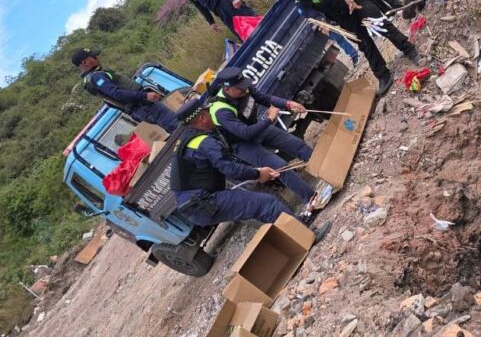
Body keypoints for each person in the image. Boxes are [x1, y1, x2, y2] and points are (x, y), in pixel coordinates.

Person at [170, 95, 331, 238]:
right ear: (202, 118)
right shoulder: (205, 142)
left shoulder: (189, 139)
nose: (211, 115)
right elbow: (229, 169)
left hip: (197, 202)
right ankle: (308, 236)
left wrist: (254, 173)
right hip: (203, 202)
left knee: (260, 208)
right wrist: (257, 174)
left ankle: (296, 227)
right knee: (267, 204)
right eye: (207, 113)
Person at [274, 0, 420, 96]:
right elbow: (314, 16)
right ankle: (383, 75)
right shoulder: (300, 4)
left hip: (353, 0)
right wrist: (323, 23)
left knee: (380, 24)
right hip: (342, 17)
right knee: (364, 44)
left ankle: (409, 49)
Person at [207, 67, 319, 205]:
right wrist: (270, 119)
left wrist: (288, 104)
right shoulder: (220, 110)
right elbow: (246, 133)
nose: (244, 89)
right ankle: (312, 199)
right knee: (280, 166)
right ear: (228, 89)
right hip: (242, 144)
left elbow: (264, 98)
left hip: (256, 127)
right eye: (240, 87)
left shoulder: (243, 88)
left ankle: (326, 169)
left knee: (297, 145)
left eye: (244, 84)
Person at [71, 48, 180, 132]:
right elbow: (116, 93)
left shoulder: (93, 78)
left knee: (173, 126)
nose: (97, 58)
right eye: (93, 56)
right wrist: (145, 96)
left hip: (140, 107)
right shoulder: (96, 77)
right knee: (176, 124)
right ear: (85, 62)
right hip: (142, 106)